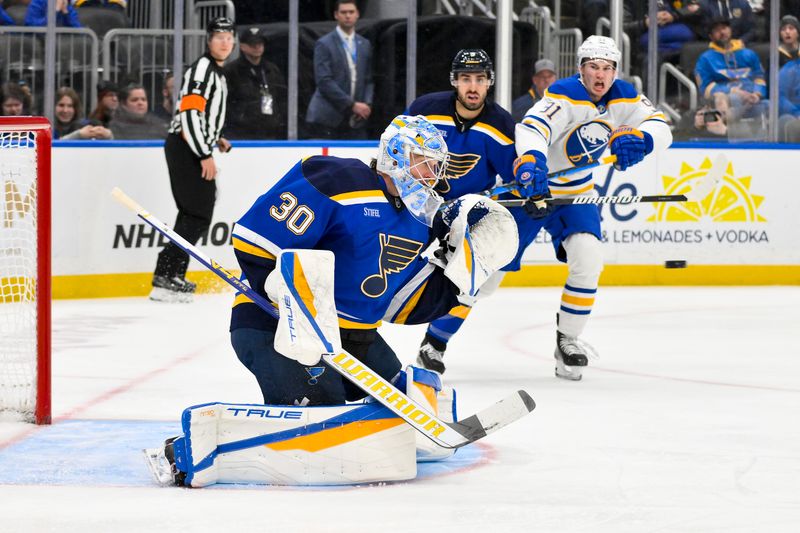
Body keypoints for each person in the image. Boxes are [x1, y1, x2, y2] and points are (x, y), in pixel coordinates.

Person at [228, 113, 515, 406]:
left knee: (412, 402)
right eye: (424, 162)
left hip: (351, 340)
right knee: (326, 415)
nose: (432, 174)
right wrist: (279, 286)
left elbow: (401, 302)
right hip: (276, 326)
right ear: (396, 154)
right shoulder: (338, 180)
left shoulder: (418, 221)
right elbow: (256, 239)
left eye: (435, 166)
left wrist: (458, 280)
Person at [512, 35, 672, 380]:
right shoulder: (563, 94)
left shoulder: (625, 95)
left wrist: (643, 139)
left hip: (577, 194)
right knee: (491, 271)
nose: (601, 75)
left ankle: (568, 341)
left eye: (607, 68)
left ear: (615, 71)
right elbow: (533, 127)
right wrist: (532, 159)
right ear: (581, 69)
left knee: (588, 258)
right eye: (594, 67)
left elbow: (661, 126)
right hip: (537, 192)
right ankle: (436, 341)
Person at [404, 49, 517, 374]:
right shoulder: (425, 110)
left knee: (479, 278)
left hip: (467, 213)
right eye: (466, 78)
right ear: (455, 81)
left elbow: (512, 180)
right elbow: (397, 149)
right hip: (419, 203)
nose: (472, 86)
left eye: (479, 79)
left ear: (489, 82)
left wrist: (529, 190)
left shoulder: (501, 123)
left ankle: (434, 345)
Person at [149, 17, 235, 302]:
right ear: (208, 40)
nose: (224, 42)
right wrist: (203, 152)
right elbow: (189, 115)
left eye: (229, 37)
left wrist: (215, 137)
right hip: (186, 147)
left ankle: (171, 274)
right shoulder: (202, 70)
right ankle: (165, 274)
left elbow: (202, 113)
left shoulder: (215, 71)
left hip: (191, 145)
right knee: (198, 214)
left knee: (192, 214)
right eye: (219, 37)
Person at [305, 0, 373, 139]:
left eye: (351, 12)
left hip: (356, 117)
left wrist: (367, 104)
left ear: (357, 14)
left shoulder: (364, 44)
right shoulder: (324, 43)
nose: (347, 16)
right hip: (328, 117)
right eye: (343, 12)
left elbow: (369, 79)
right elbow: (324, 81)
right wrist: (351, 104)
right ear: (336, 15)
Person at [695, 18, 766, 134]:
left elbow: (759, 77)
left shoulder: (749, 54)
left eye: (724, 28)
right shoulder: (705, 59)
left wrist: (757, 94)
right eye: (717, 30)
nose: (722, 32)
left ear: (730, 30)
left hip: (752, 98)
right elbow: (706, 88)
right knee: (727, 99)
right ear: (711, 36)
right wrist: (733, 91)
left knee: (769, 105)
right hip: (726, 99)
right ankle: (727, 135)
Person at [224, 26, 287, 139]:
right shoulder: (231, 72)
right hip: (241, 133)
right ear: (242, 46)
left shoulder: (272, 70)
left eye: (260, 44)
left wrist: (278, 121)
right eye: (253, 44)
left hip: (270, 131)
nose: (257, 47)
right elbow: (227, 104)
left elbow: (282, 98)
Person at [512, 58, 557, 123]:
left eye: (550, 76)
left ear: (555, 78)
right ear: (535, 80)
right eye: (542, 77)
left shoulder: (563, 101)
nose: (546, 80)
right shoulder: (520, 105)